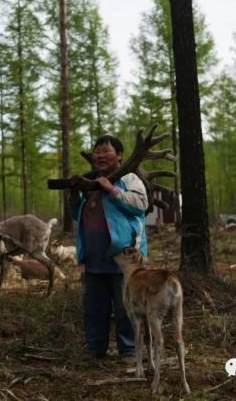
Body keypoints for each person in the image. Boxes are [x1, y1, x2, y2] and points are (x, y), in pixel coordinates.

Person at [69, 134, 149, 359]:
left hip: (125, 260)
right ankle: (95, 350)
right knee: (94, 309)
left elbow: (141, 205)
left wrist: (113, 190)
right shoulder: (90, 182)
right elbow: (78, 215)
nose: (100, 155)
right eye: (97, 152)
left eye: (106, 151)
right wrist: (75, 195)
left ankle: (130, 351)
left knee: (127, 308)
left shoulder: (130, 179)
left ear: (120, 155)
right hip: (95, 261)